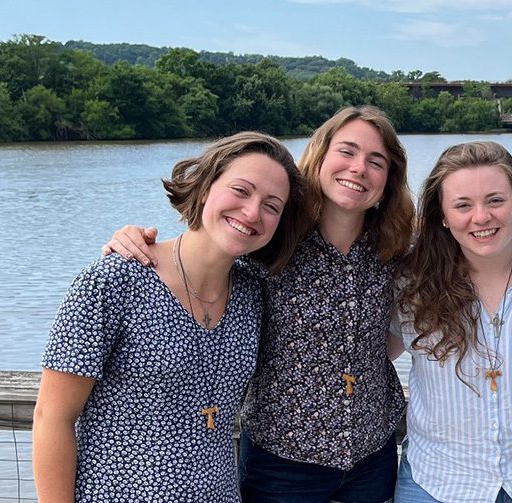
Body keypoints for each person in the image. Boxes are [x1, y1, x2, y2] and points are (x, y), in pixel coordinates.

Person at [102, 105, 414, 502]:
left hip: (372, 456)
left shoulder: (395, 250)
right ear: (319, 156)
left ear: (388, 181)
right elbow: (205, 246)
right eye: (347, 151)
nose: (358, 168)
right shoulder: (270, 239)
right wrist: (132, 239)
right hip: (281, 463)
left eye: (376, 161)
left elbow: (462, 251)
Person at [33, 132, 308, 502]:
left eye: (272, 205)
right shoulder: (116, 279)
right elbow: (52, 417)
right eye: (241, 190)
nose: (252, 212)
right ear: (207, 185)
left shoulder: (253, 295)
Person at [393, 141, 512, 503]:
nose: (481, 217)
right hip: (436, 482)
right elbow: (372, 354)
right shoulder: (410, 281)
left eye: (496, 200)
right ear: (443, 216)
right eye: (462, 205)